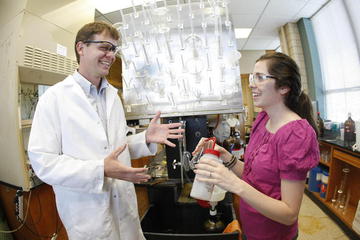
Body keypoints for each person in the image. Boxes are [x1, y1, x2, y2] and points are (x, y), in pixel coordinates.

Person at [28, 22, 184, 240]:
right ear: (81, 48)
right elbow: (43, 163)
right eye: (104, 47)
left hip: (124, 208)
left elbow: (116, 147)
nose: (111, 55)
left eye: (114, 49)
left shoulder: (112, 95)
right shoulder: (54, 99)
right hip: (88, 216)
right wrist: (99, 169)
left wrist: (144, 139)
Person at [193, 52, 320, 240]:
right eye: (253, 77)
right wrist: (226, 157)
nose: (252, 83)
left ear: (284, 87)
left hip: (273, 234)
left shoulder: (296, 135)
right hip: (250, 227)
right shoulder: (263, 118)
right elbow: (254, 176)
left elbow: (289, 214)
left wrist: (234, 184)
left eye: (260, 77)